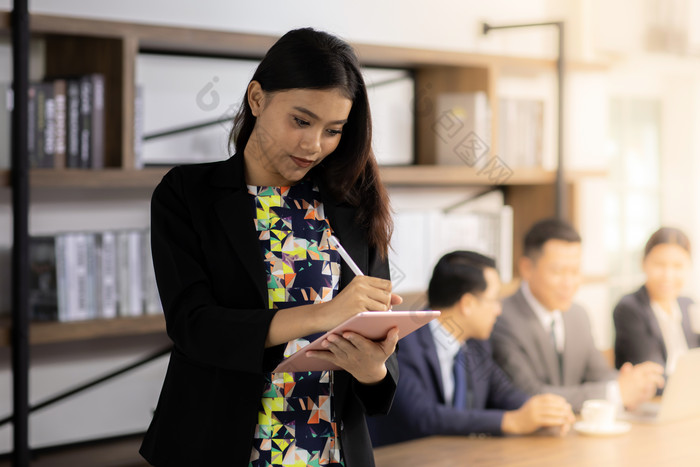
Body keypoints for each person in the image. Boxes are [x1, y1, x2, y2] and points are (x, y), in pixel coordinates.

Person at [139, 28, 403, 467]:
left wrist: (372, 368)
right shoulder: (187, 193)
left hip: (329, 451)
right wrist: (323, 314)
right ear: (257, 98)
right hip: (216, 448)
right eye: (301, 120)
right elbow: (195, 327)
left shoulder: (350, 205)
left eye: (333, 130)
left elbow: (383, 373)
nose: (313, 145)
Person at [366, 251, 575, 447]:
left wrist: (545, 411)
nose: (498, 310)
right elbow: (423, 416)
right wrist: (510, 421)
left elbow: (503, 392)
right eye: (494, 300)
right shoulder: (402, 341)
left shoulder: (475, 344)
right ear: (467, 304)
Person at [490, 218, 666, 413]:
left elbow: (599, 374)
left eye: (575, 271)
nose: (569, 282)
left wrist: (633, 384)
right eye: (558, 271)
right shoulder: (500, 318)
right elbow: (529, 395)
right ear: (526, 268)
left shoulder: (577, 315)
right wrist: (615, 393)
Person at [613, 227, 700, 375]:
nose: (668, 275)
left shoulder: (688, 305)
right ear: (644, 263)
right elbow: (653, 375)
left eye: (678, 266)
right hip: (655, 397)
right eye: (659, 265)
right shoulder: (629, 309)